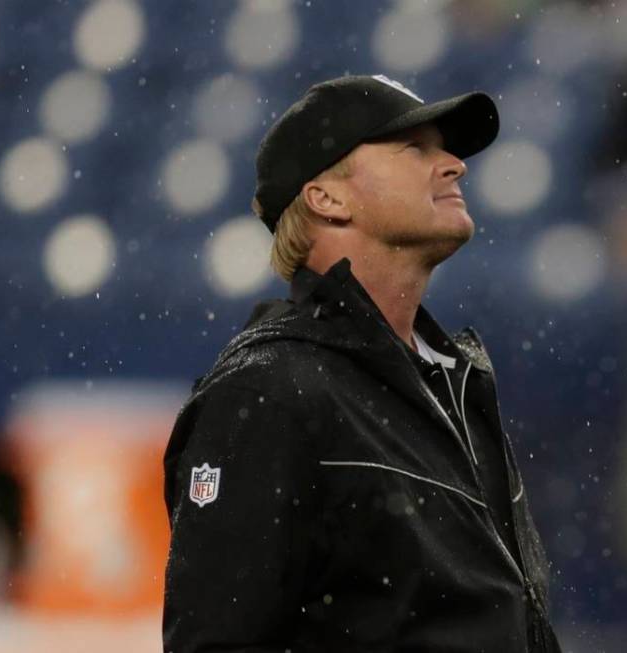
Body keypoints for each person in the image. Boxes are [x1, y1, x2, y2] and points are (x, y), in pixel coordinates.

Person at [162, 74, 563, 652]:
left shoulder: (454, 379)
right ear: (326, 197)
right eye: (414, 149)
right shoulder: (268, 390)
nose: (454, 165)